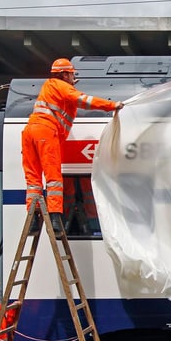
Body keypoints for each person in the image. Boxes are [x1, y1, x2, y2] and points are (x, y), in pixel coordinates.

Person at [21, 57, 124, 235]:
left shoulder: (50, 88)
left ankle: (33, 222)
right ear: (65, 74)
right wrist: (112, 105)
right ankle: (55, 218)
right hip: (45, 132)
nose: (73, 78)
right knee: (53, 178)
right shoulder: (60, 86)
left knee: (33, 181)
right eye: (72, 74)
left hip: (29, 132)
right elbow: (84, 100)